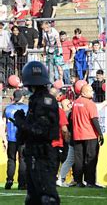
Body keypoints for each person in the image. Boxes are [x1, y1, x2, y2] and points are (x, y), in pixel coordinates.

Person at [13, 61, 60, 203]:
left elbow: (40, 130)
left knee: (47, 197)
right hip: (34, 153)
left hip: (43, 154)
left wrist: (20, 122)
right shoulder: (37, 100)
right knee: (33, 198)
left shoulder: (45, 101)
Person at [3, 90, 28, 190]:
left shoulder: (7, 108)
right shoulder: (27, 108)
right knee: (22, 160)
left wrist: (4, 139)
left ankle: (9, 180)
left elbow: (2, 125)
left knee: (11, 160)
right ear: (22, 97)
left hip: (11, 138)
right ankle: (22, 183)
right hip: (23, 139)